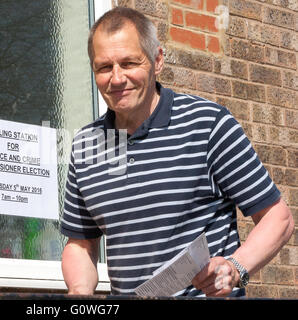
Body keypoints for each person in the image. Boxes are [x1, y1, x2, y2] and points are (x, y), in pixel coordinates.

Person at [60, 7, 294, 297]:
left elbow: (277, 218)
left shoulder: (208, 125)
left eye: (130, 63)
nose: (117, 78)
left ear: (157, 60)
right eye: (104, 67)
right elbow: (81, 244)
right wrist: (79, 290)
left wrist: (235, 267)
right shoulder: (87, 145)